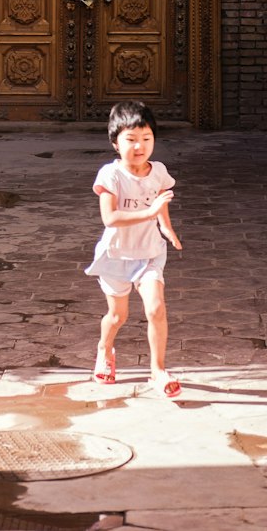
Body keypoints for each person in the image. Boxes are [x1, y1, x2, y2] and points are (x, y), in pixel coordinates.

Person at [84, 99, 183, 398]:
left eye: (146, 138)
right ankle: (104, 349)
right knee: (118, 317)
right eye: (131, 140)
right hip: (116, 256)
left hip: (150, 254)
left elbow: (161, 201)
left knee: (155, 309)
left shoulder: (159, 172)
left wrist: (166, 227)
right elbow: (110, 218)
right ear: (115, 142)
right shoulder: (110, 175)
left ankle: (158, 370)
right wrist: (151, 213)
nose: (139, 146)